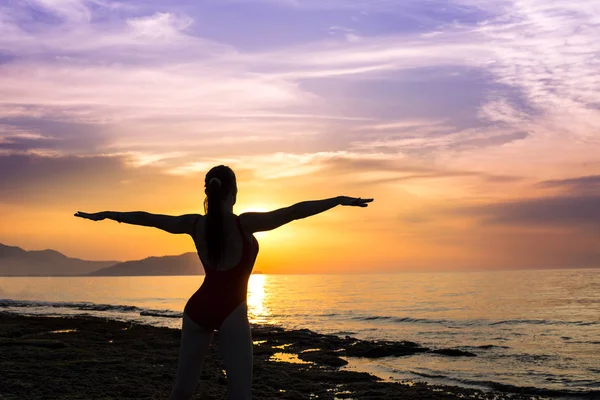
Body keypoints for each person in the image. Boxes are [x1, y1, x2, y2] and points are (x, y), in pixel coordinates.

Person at [74, 164, 374, 400]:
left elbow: (149, 217)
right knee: (240, 394)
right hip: (231, 310)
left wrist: (108, 215)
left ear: (208, 193)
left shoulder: (194, 224)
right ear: (233, 193)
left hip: (197, 309)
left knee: (182, 390)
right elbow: (294, 212)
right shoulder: (245, 223)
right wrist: (336, 201)